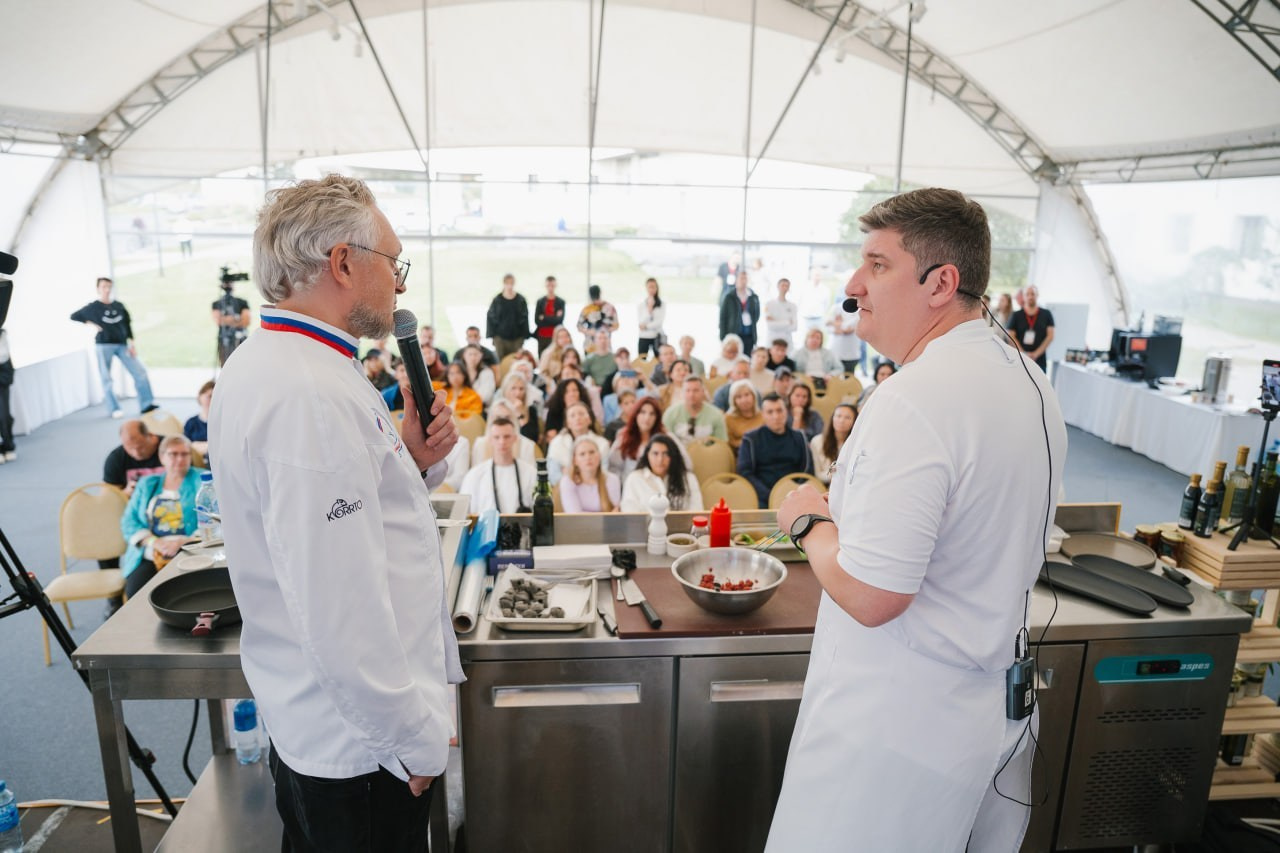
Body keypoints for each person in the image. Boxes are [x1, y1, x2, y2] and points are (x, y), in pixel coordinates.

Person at [766, 187, 1066, 853]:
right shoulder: (1029, 380)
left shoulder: (915, 399)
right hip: (987, 717)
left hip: (893, 736)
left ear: (941, 283)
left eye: (877, 265)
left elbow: (874, 594)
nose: (852, 286)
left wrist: (809, 521)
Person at [209, 175, 461, 851]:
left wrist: (407, 456)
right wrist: (412, 738)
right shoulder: (308, 395)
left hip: (333, 731)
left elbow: (342, 523)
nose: (399, 286)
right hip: (362, 755)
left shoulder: (273, 363)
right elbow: (339, 605)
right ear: (345, 264)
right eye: (393, 262)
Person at [120, 435, 206, 597]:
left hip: (190, 548)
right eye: (173, 454)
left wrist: (183, 541)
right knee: (137, 595)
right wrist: (155, 542)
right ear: (161, 457)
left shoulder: (203, 480)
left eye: (185, 454)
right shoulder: (147, 484)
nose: (180, 459)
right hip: (150, 551)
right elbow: (129, 521)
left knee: (185, 595)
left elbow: (215, 520)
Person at [71, 277, 156, 418]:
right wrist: (91, 324)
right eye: (104, 286)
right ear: (98, 289)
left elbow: (127, 325)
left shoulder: (119, 306)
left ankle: (147, 404)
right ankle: (114, 408)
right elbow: (74, 316)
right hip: (103, 345)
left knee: (140, 372)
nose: (107, 289)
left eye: (109, 286)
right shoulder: (93, 307)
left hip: (122, 344)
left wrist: (132, 343)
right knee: (106, 378)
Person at [738, 394, 813, 508]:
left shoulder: (799, 437)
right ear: (763, 415)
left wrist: (792, 493)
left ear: (786, 412)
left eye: (779, 410)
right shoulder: (751, 439)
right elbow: (745, 473)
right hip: (762, 497)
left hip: (795, 496)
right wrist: (772, 496)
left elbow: (807, 469)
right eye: (770, 412)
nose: (776, 416)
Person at [460, 417, 536, 514]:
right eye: (497, 437)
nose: (502, 442)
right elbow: (464, 513)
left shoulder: (531, 473)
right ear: (490, 440)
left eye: (507, 436)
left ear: (515, 438)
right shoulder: (474, 475)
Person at [619, 434, 704, 512]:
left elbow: (697, 511)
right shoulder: (634, 479)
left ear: (673, 456)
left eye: (665, 454)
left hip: (682, 528)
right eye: (655, 454)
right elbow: (629, 513)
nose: (660, 459)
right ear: (647, 455)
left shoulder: (688, 478)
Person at [544, 401, 610, 484]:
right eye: (572, 415)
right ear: (568, 423)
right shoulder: (556, 443)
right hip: (563, 490)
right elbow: (553, 475)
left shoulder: (602, 444)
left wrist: (569, 472)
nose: (577, 418)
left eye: (581, 414)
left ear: (589, 420)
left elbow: (603, 472)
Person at [608, 397, 668, 481]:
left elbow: (685, 463)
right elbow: (613, 467)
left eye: (652, 414)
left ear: (657, 418)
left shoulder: (666, 437)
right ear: (636, 415)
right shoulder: (623, 437)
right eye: (643, 412)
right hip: (631, 487)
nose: (647, 418)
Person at [559, 436, 621, 513]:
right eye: (582, 454)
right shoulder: (567, 481)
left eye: (592, 452)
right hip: (577, 525)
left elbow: (614, 513)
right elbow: (574, 515)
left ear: (599, 456)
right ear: (575, 461)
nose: (588, 457)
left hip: (607, 525)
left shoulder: (613, 479)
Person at [104, 419, 164, 496]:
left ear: (151, 436)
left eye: (141, 447)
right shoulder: (116, 459)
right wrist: (125, 493)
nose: (136, 453)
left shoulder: (170, 448)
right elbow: (107, 498)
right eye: (130, 448)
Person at [662, 376, 727, 444]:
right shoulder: (670, 413)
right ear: (682, 392)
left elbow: (722, 444)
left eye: (695, 390)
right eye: (688, 390)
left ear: (703, 392)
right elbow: (664, 442)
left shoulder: (716, 415)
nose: (691, 394)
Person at [471, 401, 539, 466]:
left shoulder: (527, 445)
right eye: (498, 418)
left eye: (507, 418)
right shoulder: (480, 444)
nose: (502, 422)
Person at [1009, 284, 1055, 370]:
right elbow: (1010, 335)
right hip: (1020, 358)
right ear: (1024, 296)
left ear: (1037, 295)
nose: (1030, 297)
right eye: (1027, 294)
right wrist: (1023, 353)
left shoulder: (1046, 314)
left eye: (1033, 294)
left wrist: (1036, 354)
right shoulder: (1016, 315)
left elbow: (1050, 336)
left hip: (1039, 359)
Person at [486, 273, 531, 360]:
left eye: (511, 283)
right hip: (500, 338)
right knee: (501, 361)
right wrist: (493, 336)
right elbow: (491, 317)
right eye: (507, 283)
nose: (509, 286)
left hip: (517, 338)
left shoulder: (520, 300)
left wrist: (524, 335)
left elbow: (524, 318)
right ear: (504, 284)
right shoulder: (497, 300)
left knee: (516, 360)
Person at [811, 403, 856, 485]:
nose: (842, 420)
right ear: (832, 418)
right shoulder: (817, 441)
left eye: (847, 417)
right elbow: (817, 474)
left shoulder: (856, 443)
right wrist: (835, 473)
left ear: (855, 422)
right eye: (838, 416)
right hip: (824, 487)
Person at [718, 270, 760, 354]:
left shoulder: (753, 297)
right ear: (736, 280)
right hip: (734, 334)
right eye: (741, 278)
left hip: (749, 335)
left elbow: (757, 315)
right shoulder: (729, 297)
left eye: (745, 279)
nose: (743, 281)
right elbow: (723, 318)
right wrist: (723, 337)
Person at [213, 278, 252, 365]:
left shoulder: (242, 302)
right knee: (225, 365)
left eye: (230, 282)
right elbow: (218, 321)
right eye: (226, 282)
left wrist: (226, 319)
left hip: (241, 340)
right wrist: (237, 319)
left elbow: (246, 321)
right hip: (223, 340)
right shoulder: (217, 303)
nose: (228, 285)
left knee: (243, 364)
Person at [495, 372, 542, 443]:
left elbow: (531, 439)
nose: (518, 393)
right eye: (513, 388)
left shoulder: (531, 410)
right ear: (506, 390)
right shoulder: (498, 410)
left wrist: (520, 414)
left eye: (521, 389)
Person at [723, 378, 764, 454]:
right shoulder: (728, 419)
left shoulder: (763, 416)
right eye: (739, 397)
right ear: (734, 401)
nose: (744, 400)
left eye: (747, 395)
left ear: (753, 396)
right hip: (739, 455)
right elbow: (729, 443)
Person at [576, 284, 619, 351]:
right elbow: (579, 326)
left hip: (605, 345)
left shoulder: (610, 308)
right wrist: (589, 331)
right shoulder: (587, 309)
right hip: (590, 346)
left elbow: (616, 326)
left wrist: (604, 331)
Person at [826, 301, 863, 375]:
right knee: (834, 380)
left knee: (849, 380)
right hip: (835, 351)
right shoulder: (836, 307)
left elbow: (848, 328)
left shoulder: (860, 311)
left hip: (851, 354)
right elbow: (827, 325)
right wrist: (839, 326)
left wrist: (836, 324)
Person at [764, 277, 798, 351]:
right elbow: (770, 326)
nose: (785, 288)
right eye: (783, 285)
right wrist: (788, 322)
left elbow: (794, 327)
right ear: (778, 286)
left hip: (787, 340)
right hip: (772, 339)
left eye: (787, 286)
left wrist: (776, 321)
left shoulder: (792, 306)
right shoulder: (769, 304)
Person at [533, 276, 565, 354]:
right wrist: (553, 318)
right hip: (542, 336)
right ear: (545, 286)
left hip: (555, 336)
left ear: (555, 286)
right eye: (548, 286)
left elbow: (559, 320)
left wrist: (544, 317)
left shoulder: (560, 302)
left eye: (552, 286)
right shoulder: (540, 301)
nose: (550, 288)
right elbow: (537, 321)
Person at [184, 380, 215, 459]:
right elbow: (185, 447)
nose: (213, 400)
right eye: (210, 396)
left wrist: (196, 445)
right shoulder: (191, 423)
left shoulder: (223, 424)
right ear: (200, 397)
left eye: (216, 397)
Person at [636, 277, 666, 357]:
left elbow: (658, 323)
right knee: (642, 360)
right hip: (644, 336)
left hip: (656, 336)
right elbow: (641, 322)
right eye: (649, 287)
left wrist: (646, 326)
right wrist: (649, 310)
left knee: (659, 359)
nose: (652, 289)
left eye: (654, 287)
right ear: (646, 288)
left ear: (657, 288)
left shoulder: (662, 305)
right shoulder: (641, 305)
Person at [799, 267, 830, 333]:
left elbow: (826, 304)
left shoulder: (825, 289)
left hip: (818, 319)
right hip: (805, 319)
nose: (817, 277)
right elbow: (799, 301)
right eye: (815, 275)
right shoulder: (804, 287)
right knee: (804, 339)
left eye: (819, 275)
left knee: (817, 338)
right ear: (811, 275)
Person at [0, 328, 15, 464]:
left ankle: (8, 446)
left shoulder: (2, 335)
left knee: (4, 416)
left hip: (1, 380)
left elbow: (5, 361)